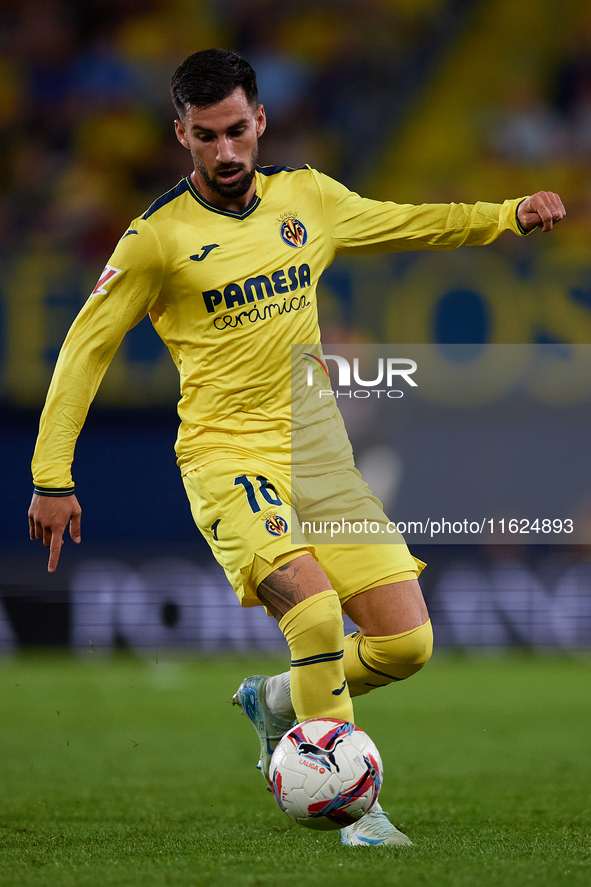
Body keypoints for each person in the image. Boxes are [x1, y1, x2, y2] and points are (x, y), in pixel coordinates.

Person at [28, 48, 566, 847]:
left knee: (404, 643)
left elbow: (403, 222)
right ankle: (359, 810)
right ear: (181, 133)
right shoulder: (155, 240)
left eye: (237, 130)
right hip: (227, 456)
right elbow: (85, 348)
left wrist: (503, 213)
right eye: (206, 135)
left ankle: (274, 700)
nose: (225, 151)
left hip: (318, 457)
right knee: (314, 613)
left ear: (260, 121)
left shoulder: (306, 198)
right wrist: (52, 474)